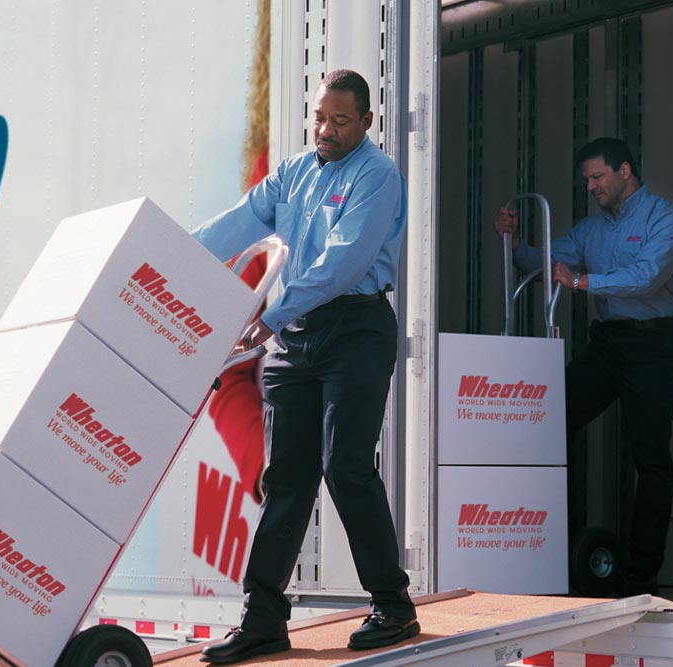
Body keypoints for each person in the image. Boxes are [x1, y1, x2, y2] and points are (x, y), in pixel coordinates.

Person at [192, 69, 418, 664]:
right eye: (320, 117)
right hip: (295, 338)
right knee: (286, 478)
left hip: (356, 329)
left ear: (366, 121)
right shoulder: (292, 172)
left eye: (341, 120)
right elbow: (237, 225)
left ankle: (392, 605)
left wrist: (273, 313)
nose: (327, 129)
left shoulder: (377, 176)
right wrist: (172, 255)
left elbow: (344, 263)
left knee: (345, 466)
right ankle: (263, 618)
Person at [494, 137, 673, 595]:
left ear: (625, 171)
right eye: (587, 180)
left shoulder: (666, 218)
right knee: (546, 425)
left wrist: (582, 281)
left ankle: (643, 575)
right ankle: (554, 552)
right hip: (607, 344)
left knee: (652, 460)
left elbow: (646, 278)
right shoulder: (591, 228)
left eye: (598, 177)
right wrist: (514, 239)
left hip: (653, 346)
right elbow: (545, 263)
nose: (591, 186)